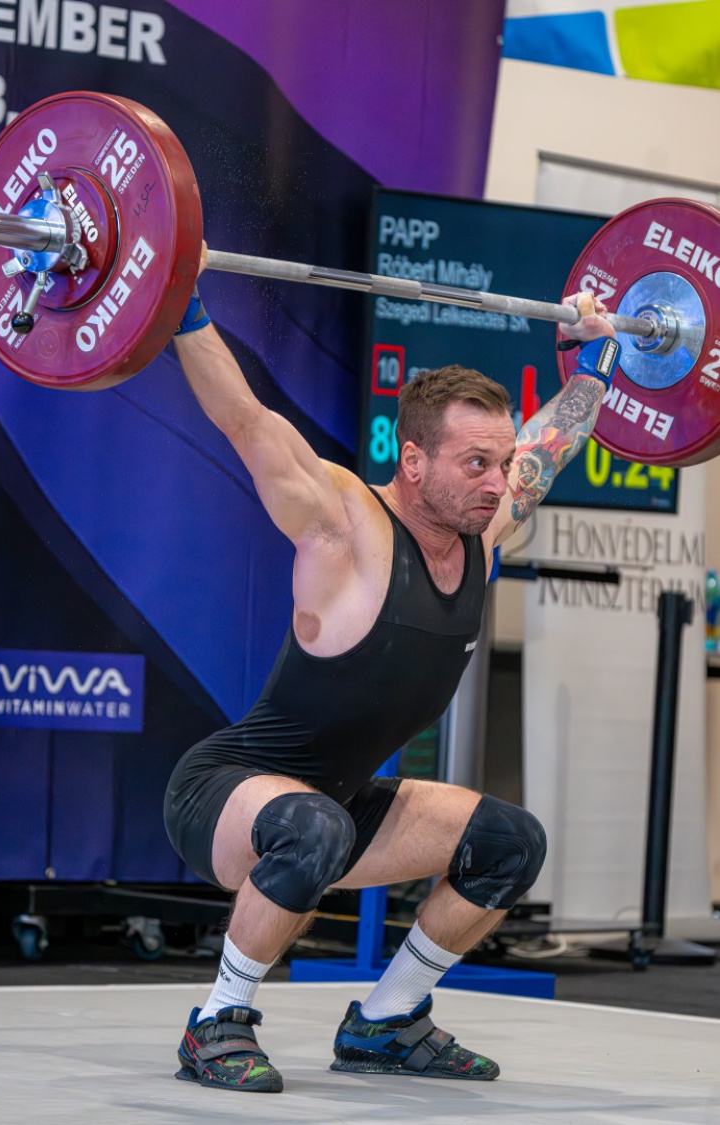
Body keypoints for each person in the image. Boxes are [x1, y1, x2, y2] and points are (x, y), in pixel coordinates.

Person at [164, 263, 620, 1094]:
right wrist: (179, 299)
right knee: (313, 827)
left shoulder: (484, 535)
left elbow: (552, 448)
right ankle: (217, 1021)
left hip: (340, 805)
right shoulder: (343, 521)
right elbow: (244, 419)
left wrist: (596, 359)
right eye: (475, 463)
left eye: (500, 462)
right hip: (225, 792)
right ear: (413, 459)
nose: (497, 482)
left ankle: (387, 1019)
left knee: (510, 843)